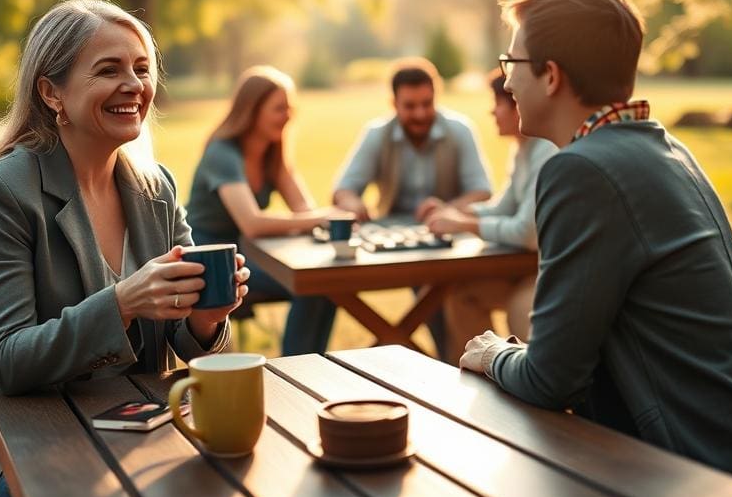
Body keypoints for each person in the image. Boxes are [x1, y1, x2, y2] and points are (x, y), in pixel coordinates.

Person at [0, 0, 249, 497]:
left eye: (142, 69)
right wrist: (124, 301)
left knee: (227, 494)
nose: (134, 85)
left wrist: (209, 316)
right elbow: (5, 361)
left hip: (131, 431)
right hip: (13, 448)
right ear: (52, 93)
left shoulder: (154, 188)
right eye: (108, 70)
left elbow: (188, 346)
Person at [459, 0, 732, 492]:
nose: (506, 84)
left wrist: (492, 353)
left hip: (702, 480)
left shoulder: (582, 171)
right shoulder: (665, 149)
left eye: (512, 65)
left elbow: (549, 380)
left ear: (550, 76)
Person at [332, 57, 492, 359]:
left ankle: (450, 363)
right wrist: (354, 203)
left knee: (440, 295)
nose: (420, 113)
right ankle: (443, 362)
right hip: (394, 242)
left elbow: (482, 192)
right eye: (410, 106)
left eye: (426, 103)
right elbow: (343, 190)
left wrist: (447, 210)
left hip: (447, 242)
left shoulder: (459, 131)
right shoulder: (377, 134)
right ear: (394, 103)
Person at [186, 66, 337, 356]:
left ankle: (313, 364)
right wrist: (322, 218)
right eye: (279, 108)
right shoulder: (222, 153)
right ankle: (297, 368)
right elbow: (252, 223)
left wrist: (319, 220)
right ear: (252, 111)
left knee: (325, 282)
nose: (288, 115)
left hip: (243, 253)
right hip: (209, 260)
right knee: (310, 284)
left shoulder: (272, 154)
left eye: (290, 107)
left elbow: (304, 209)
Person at [424, 68, 557, 353]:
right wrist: (452, 213)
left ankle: (524, 383)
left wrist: (463, 224)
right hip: (528, 268)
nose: (492, 112)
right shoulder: (523, 149)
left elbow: (525, 232)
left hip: (551, 274)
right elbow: (502, 207)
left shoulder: (546, 150)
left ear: (519, 106)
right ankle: (482, 380)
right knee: (463, 294)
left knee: (520, 311)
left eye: (498, 103)